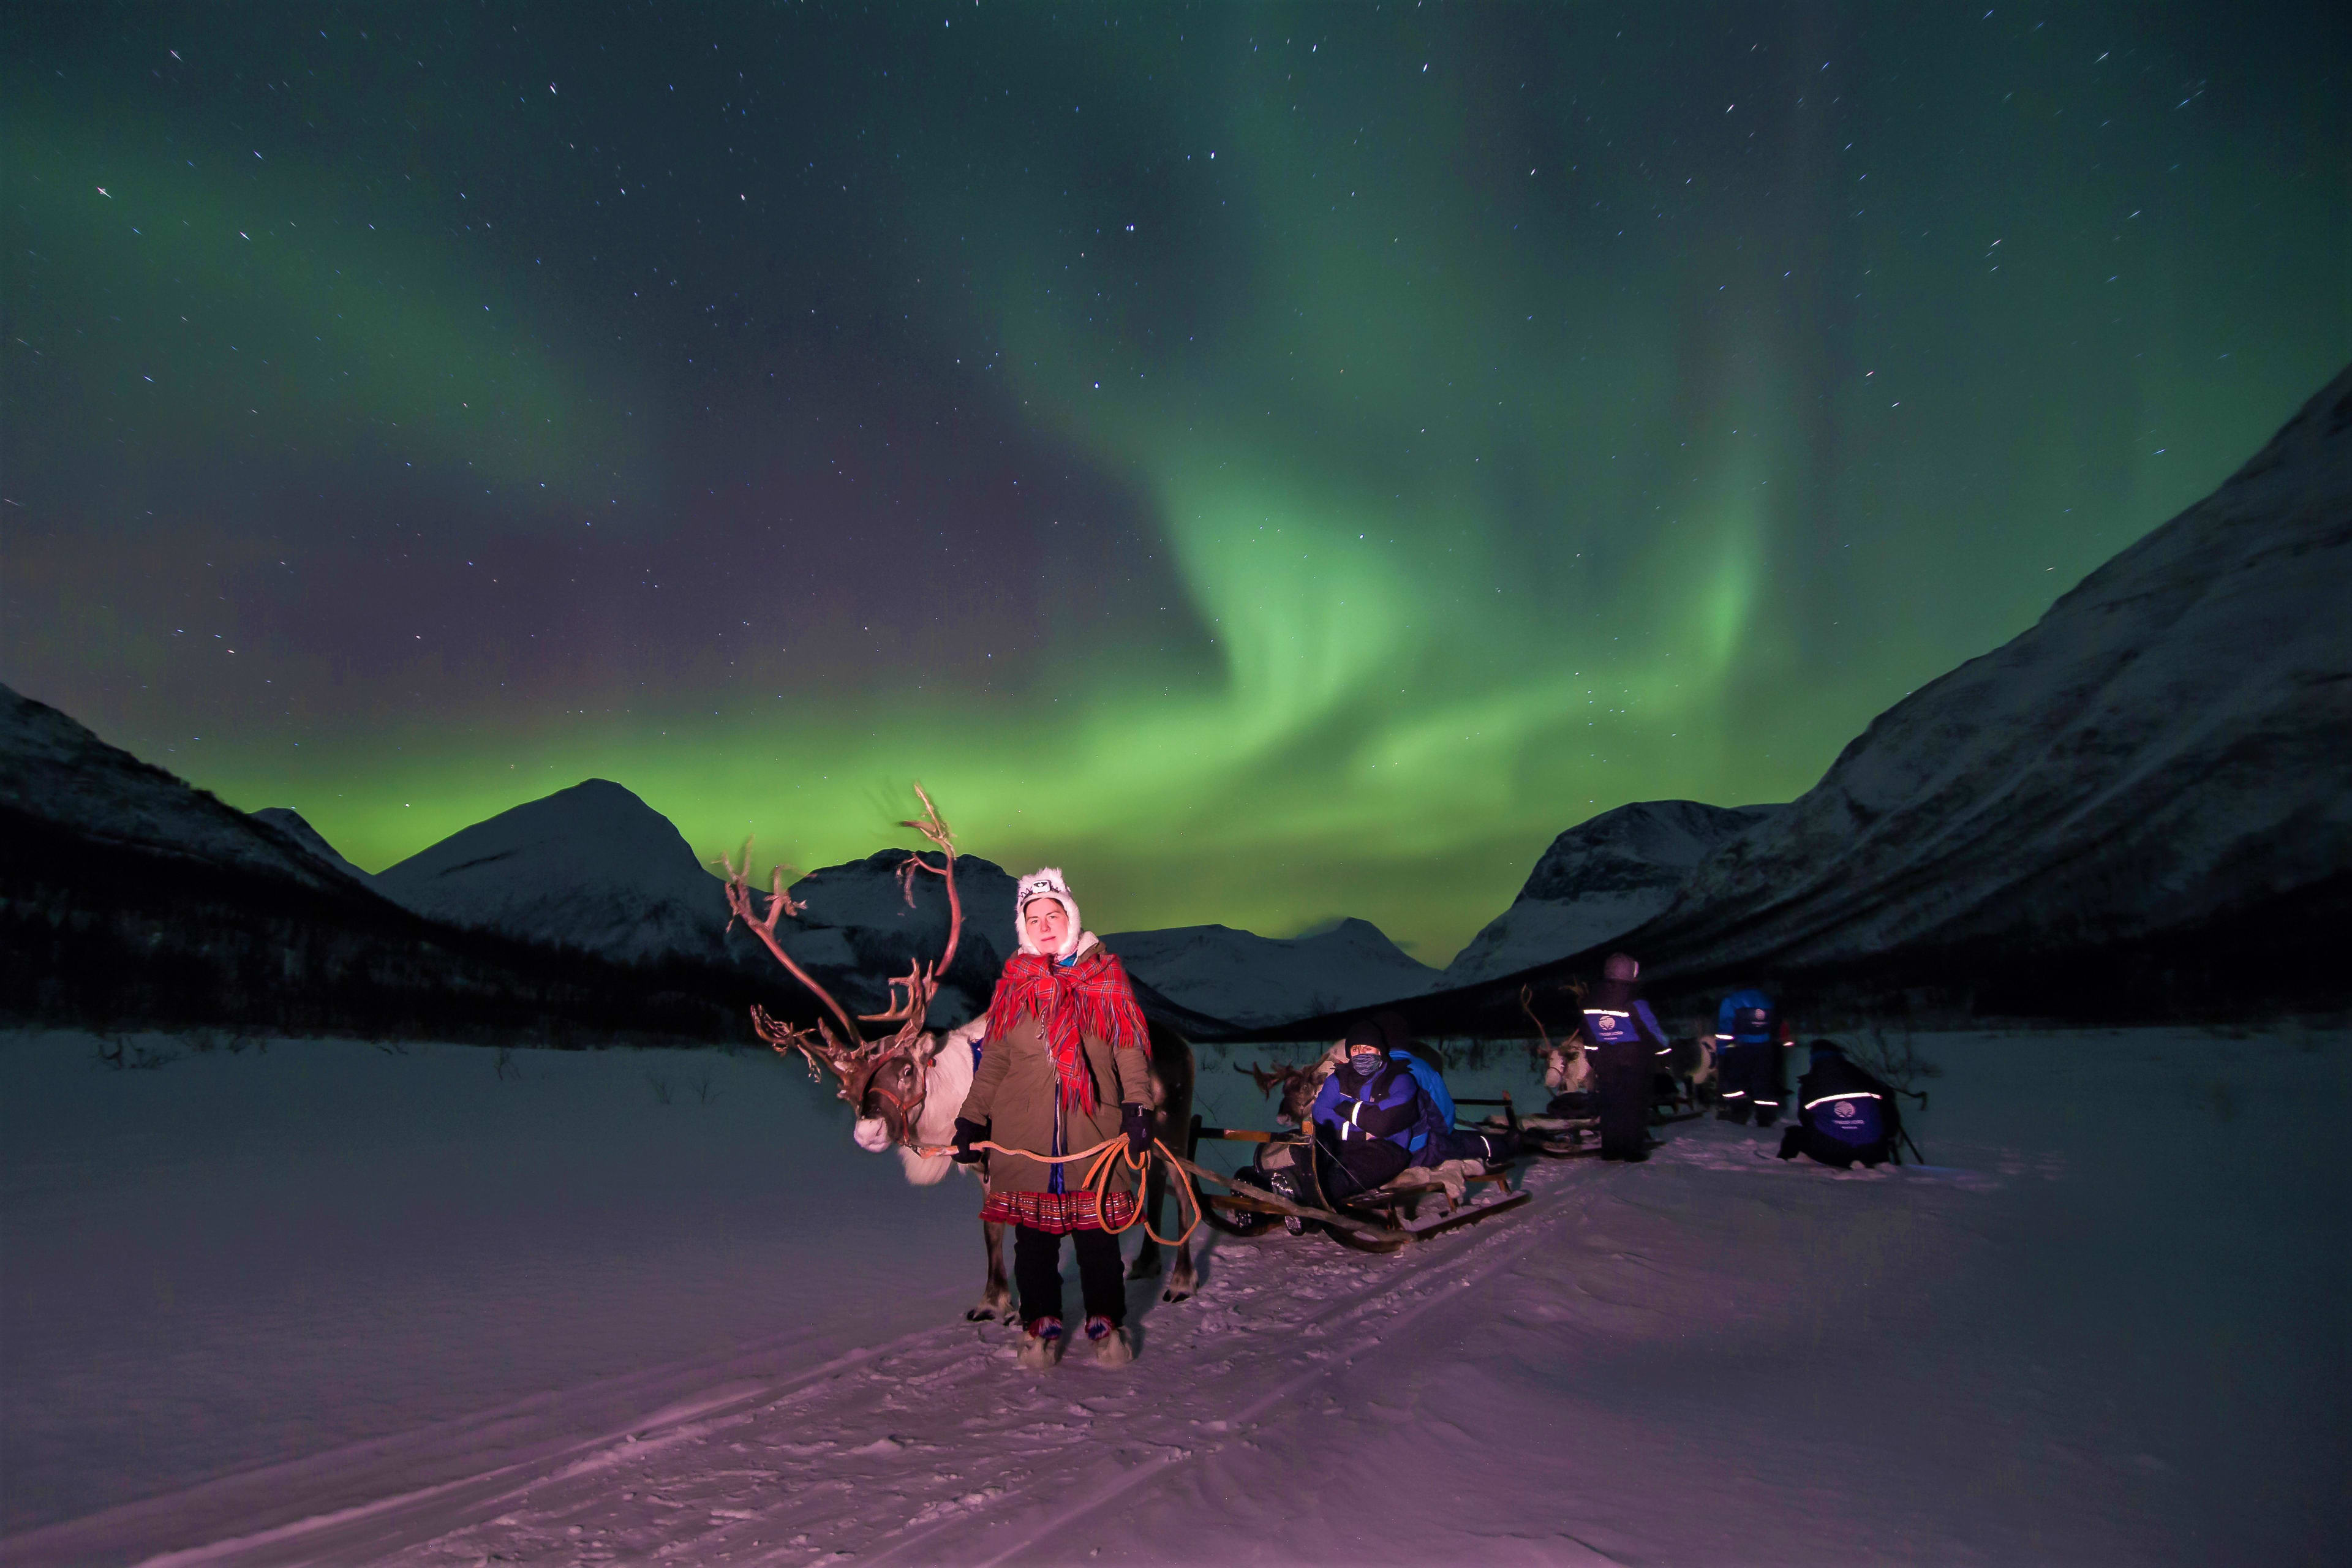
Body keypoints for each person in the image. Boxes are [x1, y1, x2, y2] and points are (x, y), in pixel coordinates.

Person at [952, 869, 1155, 1370]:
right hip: (1027, 1137)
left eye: (1053, 915)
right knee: (1034, 1246)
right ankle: (1039, 1325)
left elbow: (1128, 1046)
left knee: (1098, 1240)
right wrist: (971, 1118)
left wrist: (1138, 1106)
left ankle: (1107, 1323)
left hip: (1094, 1132)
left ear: (1071, 918)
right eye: (1034, 919)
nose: (1044, 925)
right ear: (1024, 929)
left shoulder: (1105, 977)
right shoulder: (1013, 986)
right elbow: (995, 1060)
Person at [1582, 953, 1670, 1160]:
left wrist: (1593, 1055)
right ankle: (1632, 1151)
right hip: (1635, 1059)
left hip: (1606, 1058)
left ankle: (1611, 1150)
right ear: (1630, 973)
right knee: (1634, 1104)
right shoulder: (1634, 1000)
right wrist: (1665, 1053)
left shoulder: (1591, 999)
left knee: (1610, 1104)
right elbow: (1651, 1029)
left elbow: (1588, 1031)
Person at [1777, 1041, 1902, 1169]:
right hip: (1872, 1151)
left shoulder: (1811, 1083)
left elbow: (1805, 1119)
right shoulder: (1866, 1079)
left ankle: (1782, 1166)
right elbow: (1889, 1115)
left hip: (1834, 1152)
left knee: (1794, 1134)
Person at [1712, 986, 1786, 1126]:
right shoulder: (1767, 998)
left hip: (1741, 1047)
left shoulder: (1732, 1000)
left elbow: (1725, 1030)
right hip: (1765, 1047)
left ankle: (1739, 1112)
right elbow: (1776, 1024)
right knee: (1763, 1081)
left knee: (1736, 1081)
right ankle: (1765, 1117)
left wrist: (1722, 1052)